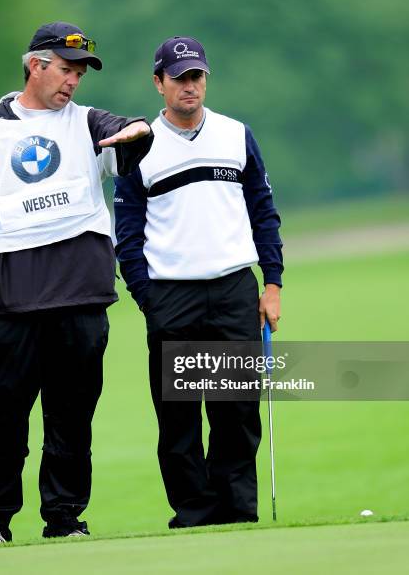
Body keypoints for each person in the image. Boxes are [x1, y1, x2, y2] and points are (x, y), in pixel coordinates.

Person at [0, 21, 153, 545]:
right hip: (10, 302)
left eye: (79, 73)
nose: (73, 82)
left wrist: (139, 131)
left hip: (82, 297)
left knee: (72, 418)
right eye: (65, 69)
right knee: (2, 416)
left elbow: (127, 131)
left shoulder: (86, 123)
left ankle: (64, 517)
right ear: (35, 65)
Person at [114, 36, 283, 528]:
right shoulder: (137, 144)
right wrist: (150, 300)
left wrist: (271, 282)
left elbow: (263, 212)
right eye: (180, 78)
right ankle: (194, 511)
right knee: (179, 420)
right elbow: (127, 235)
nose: (191, 86)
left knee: (236, 412)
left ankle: (235, 511)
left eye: (197, 76)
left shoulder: (235, 134)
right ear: (158, 83)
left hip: (233, 288)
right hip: (172, 294)